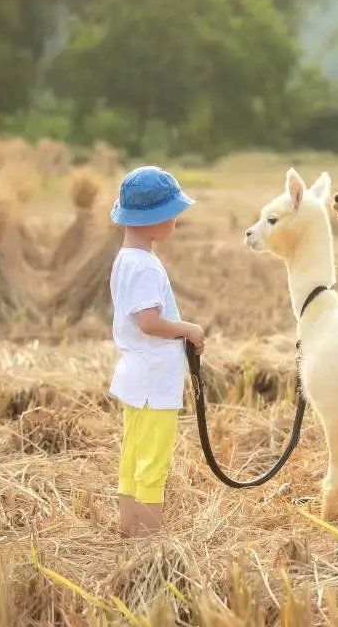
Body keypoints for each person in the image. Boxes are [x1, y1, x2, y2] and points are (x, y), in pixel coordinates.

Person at [108, 166, 205, 536]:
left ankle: (128, 532)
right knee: (152, 463)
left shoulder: (125, 259)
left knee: (133, 457)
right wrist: (188, 329)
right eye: (173, 213)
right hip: (152, 382)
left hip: (137, 377)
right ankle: (148, 545)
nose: (177, 219)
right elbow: (149, 322)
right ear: (156, 221)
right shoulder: (145, 267)